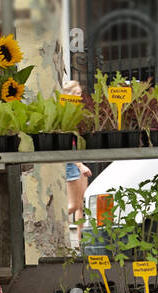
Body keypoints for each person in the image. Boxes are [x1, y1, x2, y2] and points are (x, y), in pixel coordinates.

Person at [61, 80, 92, 244]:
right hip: (72, 163)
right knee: (72, 205)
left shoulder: (77, 113)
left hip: (79, 161)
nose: (80, 97)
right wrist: (79, 165)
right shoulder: (65, 114)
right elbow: (65, 148)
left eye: (81, 93)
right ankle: (57, 225)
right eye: (77, 94)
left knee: (81, 205)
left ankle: (80, 244)